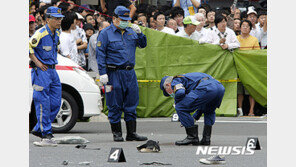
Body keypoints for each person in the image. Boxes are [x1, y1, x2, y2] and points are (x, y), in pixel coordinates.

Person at [96, 6, 148, 142]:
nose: (125, 22)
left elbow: (143, 45)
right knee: (114, 104)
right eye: (122, 19)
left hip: (129, 73)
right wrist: (102, 73)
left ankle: (132, 133)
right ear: (114, 19)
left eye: (127, 20)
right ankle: (117, 133)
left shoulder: (131, 31)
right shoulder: (105, 33)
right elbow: (100, 54)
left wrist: (140, 33)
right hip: (113, 74)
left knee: (131, 103)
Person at [29, 6, 64, 147]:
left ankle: (40, 128)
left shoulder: (56, 34)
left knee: (56, 103)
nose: (59, 21)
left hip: (52, 71)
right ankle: (46, 135)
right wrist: (37, 62)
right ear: (48, 19)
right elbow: (28, 47)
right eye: (56, 19)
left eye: (60, 19)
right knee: (42, 103)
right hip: (42, 71)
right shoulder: (40, 33)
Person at [160, 72, 225, 145]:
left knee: (180, 107)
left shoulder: (175, 80)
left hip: (206, 87)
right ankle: (206, 139)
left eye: (166, 91)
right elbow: (201, 106)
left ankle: (192, 137)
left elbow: (180, 92)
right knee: (208, 110)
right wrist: (193, 118)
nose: (170, 94)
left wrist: (177, 102)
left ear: (167, 85)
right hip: (219, 87)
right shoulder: (188, 78)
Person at [236, 20, 260, 116]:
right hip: (238, 67)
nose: (245, 27)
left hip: (250, 68)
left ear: (250, 29)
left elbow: (257, 54)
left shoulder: (254, 40)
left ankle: (251, 111)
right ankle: (240, 110)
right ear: (240, 27)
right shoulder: (236, 38)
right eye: (243, 26)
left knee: (251, 91)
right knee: (239, 90)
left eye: (247, 26)